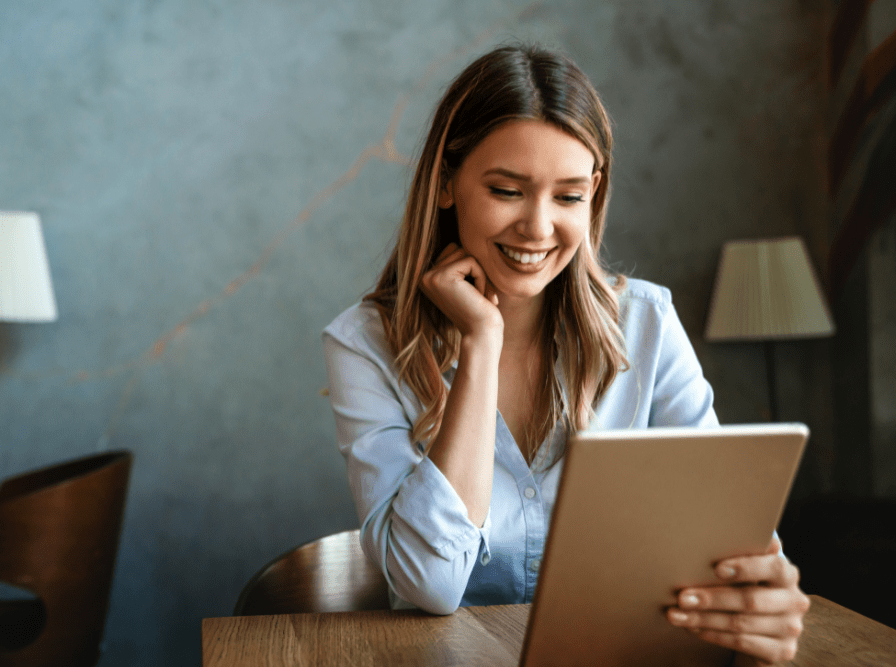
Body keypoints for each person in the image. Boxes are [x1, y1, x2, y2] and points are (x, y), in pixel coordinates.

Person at [322, 44, 809, 664]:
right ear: (446, 183)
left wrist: (764, 596)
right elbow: (430, 583)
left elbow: (734, 544)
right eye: (507, 189)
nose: (537, 227)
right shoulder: (363, 344)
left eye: (568, 196)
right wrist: (480, 344)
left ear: (595, 194)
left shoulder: (647, 324)